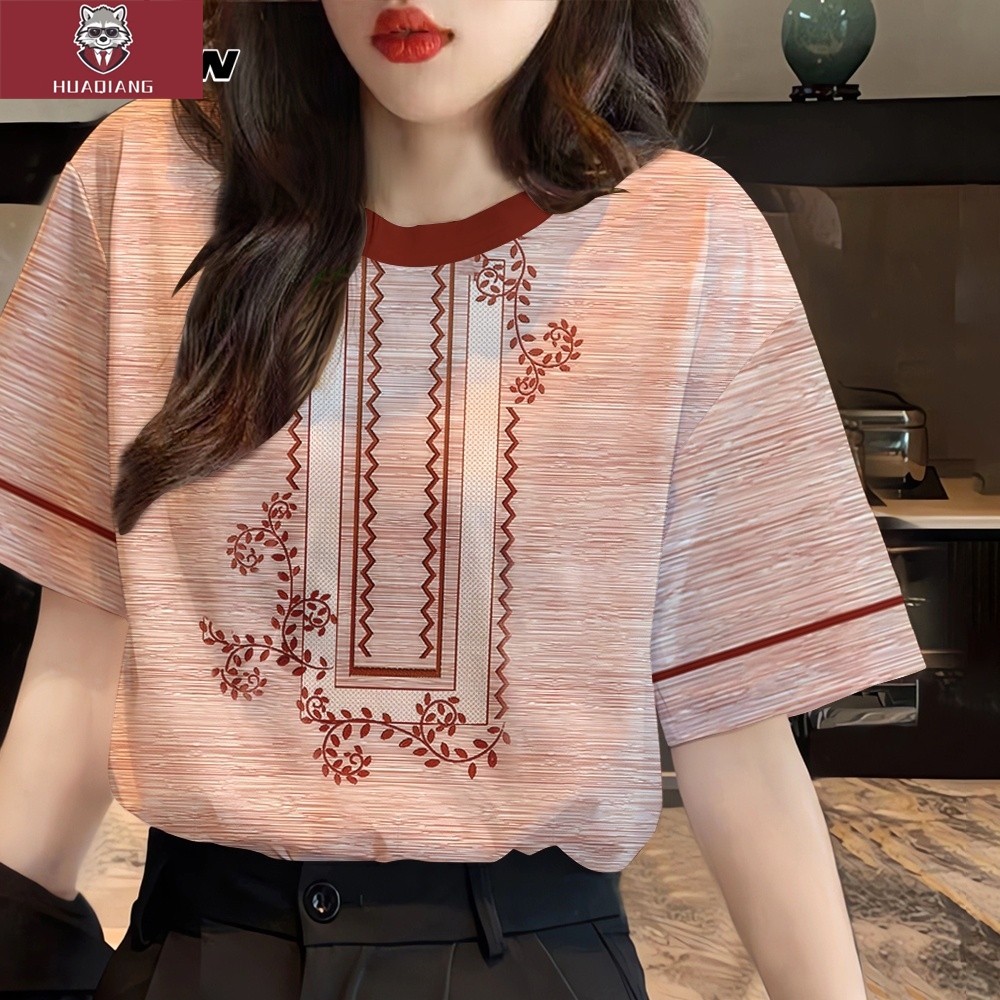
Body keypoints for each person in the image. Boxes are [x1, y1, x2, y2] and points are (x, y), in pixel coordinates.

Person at [0, 1, 929, 998]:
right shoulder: (140, 181)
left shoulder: (691, 237)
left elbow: (735, 731)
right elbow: (75, 667)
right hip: (199, 952)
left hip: (531, 963)